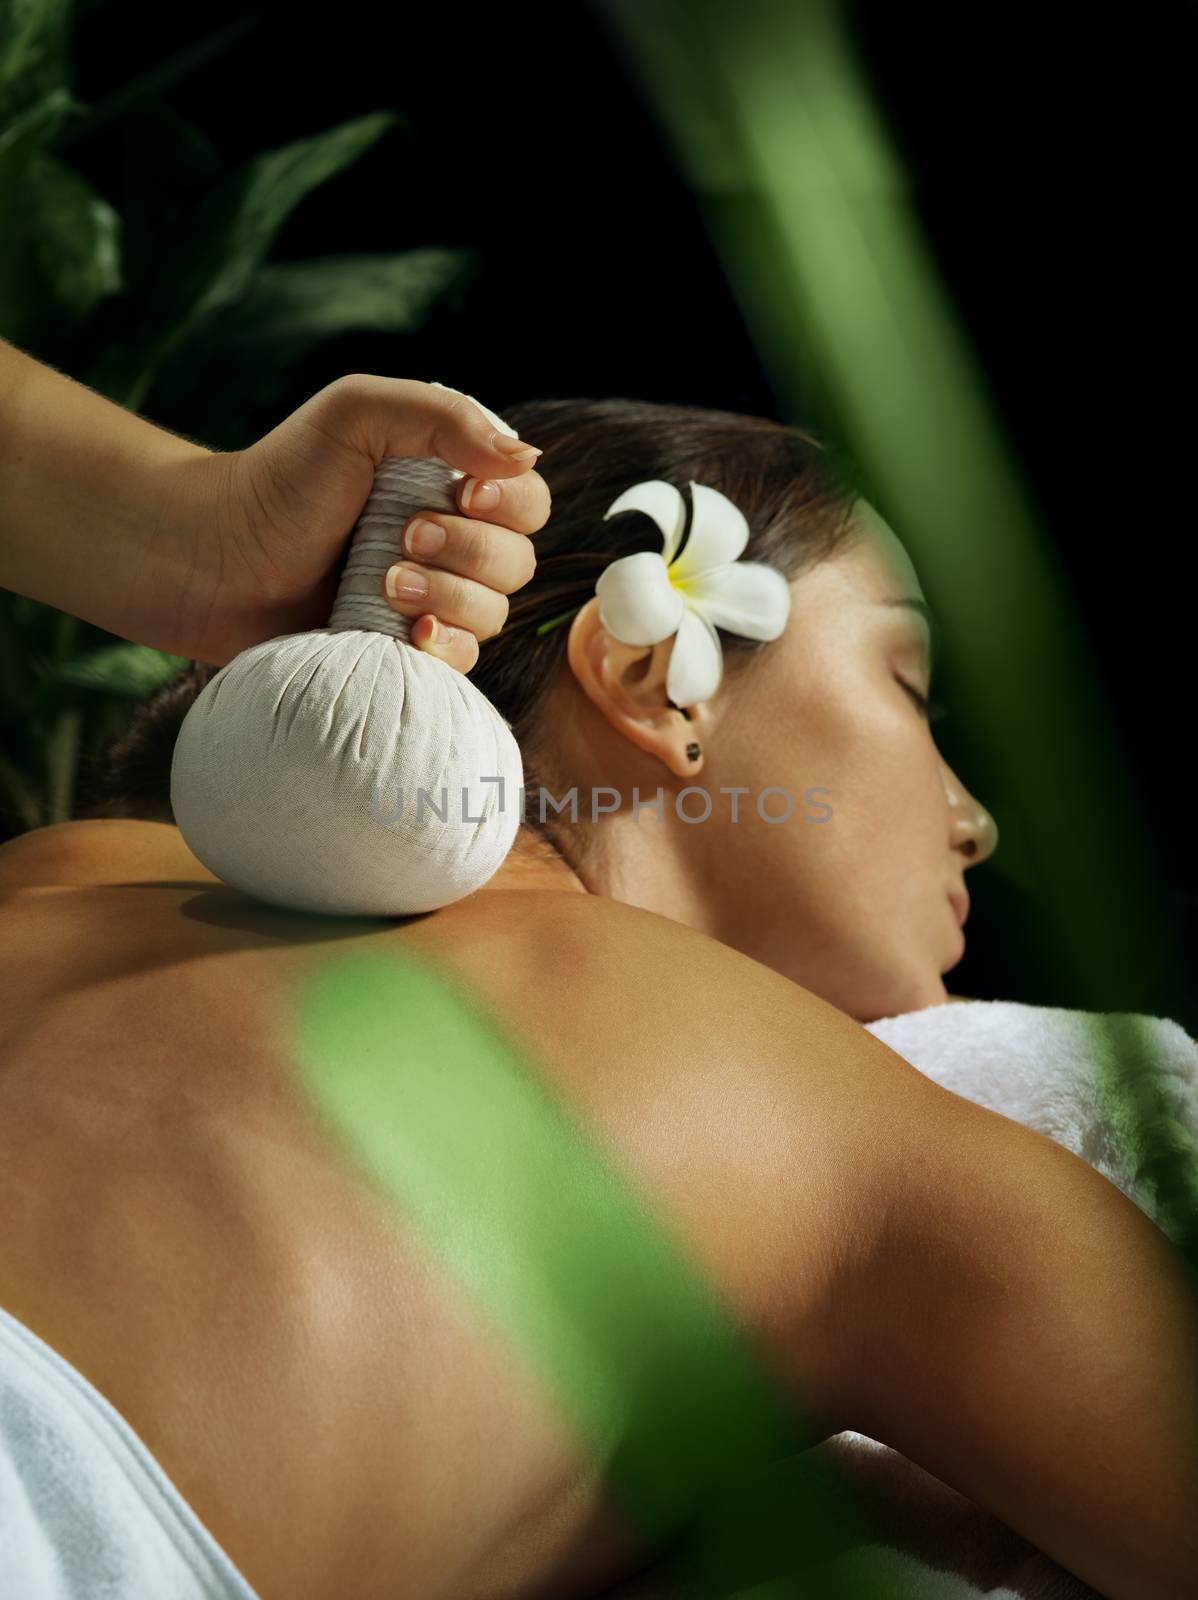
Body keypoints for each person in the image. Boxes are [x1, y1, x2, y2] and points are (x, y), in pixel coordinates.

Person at [1, 343, 1196, 1600]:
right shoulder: (812, 1113)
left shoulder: (42, 867)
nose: (972, 821)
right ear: (649, 677)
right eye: (907, 687)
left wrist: (178, 531)